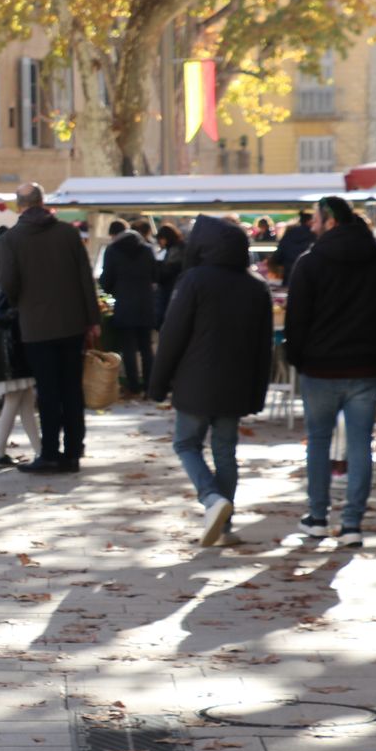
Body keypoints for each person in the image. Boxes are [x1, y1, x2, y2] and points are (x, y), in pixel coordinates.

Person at [283, 195, 376, 547]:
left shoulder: (310, 264)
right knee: (359, 446)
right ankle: (352, 523)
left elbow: (297, 320)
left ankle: (318, 516)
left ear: (331, 222)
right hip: (365, 368)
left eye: (316, 219)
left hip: (320, 369)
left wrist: (299, 358)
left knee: (319, 443)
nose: (311, 225)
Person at [148, 215, 272, 547]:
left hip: (195, 382)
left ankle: (211, 498)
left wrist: (157, 383)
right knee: (225, 451)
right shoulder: (256, 287)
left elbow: (173, 335)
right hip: (235, 384)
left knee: (186, 443)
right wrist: (258, 393)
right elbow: (264, 349)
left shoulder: (194, 281)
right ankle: (225, 525)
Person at [0, 184, 98, 474]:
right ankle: (74, 450)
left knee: (49, 391)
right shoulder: (68, 233)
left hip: (36, 326)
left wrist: (22, 304)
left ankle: (50, 452)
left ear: (20, 206)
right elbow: (85, 279)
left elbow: (8, 284)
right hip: (72, 323)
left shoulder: (12, 239)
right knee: (71, 389)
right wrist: (91, 319)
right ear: (43, 202)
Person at [0, 227, 40, 467]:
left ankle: (35, 449)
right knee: (17, 400)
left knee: (23, 401)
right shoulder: (2, 284)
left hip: (6, 351)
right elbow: (3, 315)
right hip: (10, 352)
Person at [98, 220, 159, 395]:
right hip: (145, 304)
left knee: (129, 348)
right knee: (147, 348)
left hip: (124, 304)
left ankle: (133, 386)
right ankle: (150, 385)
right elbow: (156, 275)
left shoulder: (113, 251)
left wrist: (115, 290)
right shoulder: (147, 250)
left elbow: (105, 280)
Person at [153, 224, 186, 353]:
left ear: (164, 238)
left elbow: (167, 273)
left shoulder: (175, 251)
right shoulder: (178, 249)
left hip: (170, 296)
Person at [271, 209, 316, 280]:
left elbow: (279, 253)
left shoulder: (290, 233)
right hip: (309, 274)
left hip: (289, 272)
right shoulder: (314, 234)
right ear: (309, 221)